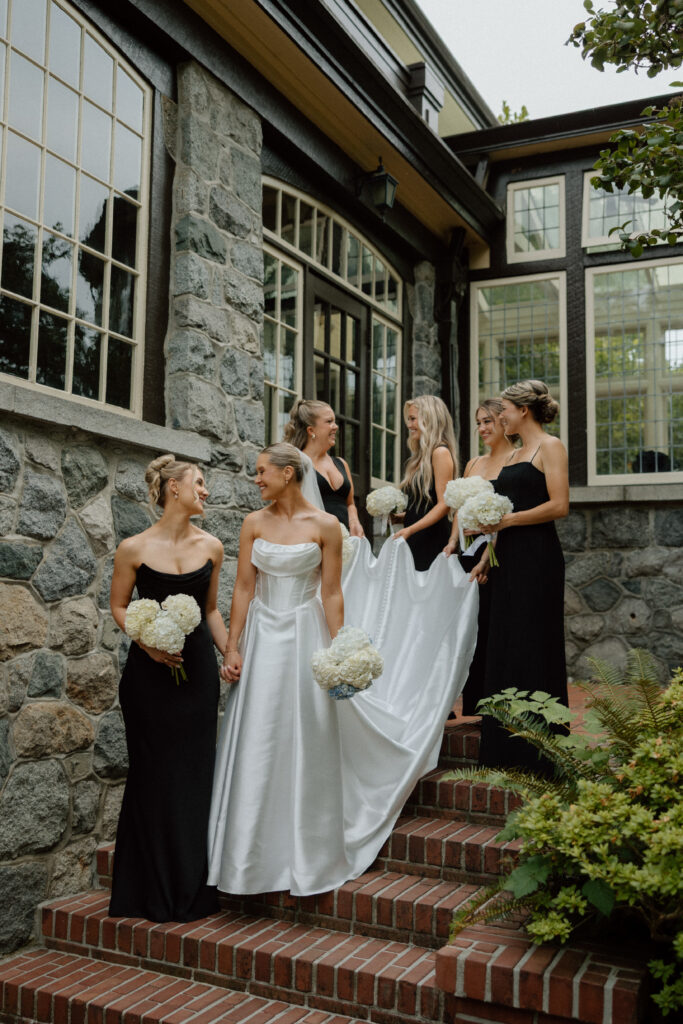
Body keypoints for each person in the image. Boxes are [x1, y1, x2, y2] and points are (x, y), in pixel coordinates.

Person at [207, 443, 479, 896]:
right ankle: (247, 854)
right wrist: (232, 647)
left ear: (289, 474)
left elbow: (332, 593)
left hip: (305, 638)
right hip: (262, 640)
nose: (255, 480)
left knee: (306, 733)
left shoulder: (327, 527)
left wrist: (340, 651)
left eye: (261, 472)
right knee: (258, 734)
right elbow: (242, 589)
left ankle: (306, 851)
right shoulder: (253, 524)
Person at [109, 455, 229, 922]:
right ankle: (144, 891)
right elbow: (120, 606)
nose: (205, 491)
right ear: (173, 488)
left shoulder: (213, 547)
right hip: (148, 680)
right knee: (152, 775)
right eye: (199, 483)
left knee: (193, 776)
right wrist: (149, 643)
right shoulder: (132, 548)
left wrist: (229, 653)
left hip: (195, 676)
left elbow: (213, 610)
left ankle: (190, 888)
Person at [473, 381, 569, 770]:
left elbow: (560, 505)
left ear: (523, 411)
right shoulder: (513, 457)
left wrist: (508, 519)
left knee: (532, 641)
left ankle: (538, 745)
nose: (502, 417)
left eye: (506, 411)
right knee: (504, 642)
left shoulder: (550, 446)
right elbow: (502, 520)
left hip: (538, 557)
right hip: (504, 557)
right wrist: (486, 556)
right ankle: (503, 742)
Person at [443, 398, 513, 717]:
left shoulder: (516, 461)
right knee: (471, 624)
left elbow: (511, 512)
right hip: (468, 552)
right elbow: (458, 510)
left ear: (504, 422)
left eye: (488, 421)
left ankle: (497, 702)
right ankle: (476, 700)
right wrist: (452, 542)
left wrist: (490, 550)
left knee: (494, 624)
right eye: (479, 423)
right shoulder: (473, 464)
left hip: (498, 551)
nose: (482, 428)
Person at [391, 395, 457, 570]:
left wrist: (411, 529)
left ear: (429, 420)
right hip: (416, 534)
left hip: (431, 537)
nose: (409, 424)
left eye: (413, 419)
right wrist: (402, 517)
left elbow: (444, 505)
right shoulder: (419, 458)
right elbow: (427, 504)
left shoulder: (440, 452)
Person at [284, 398, 364, 536]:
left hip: (347, 542)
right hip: (313, 539)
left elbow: (350, 503)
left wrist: (354, 521)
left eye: (334, 421)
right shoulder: (295, 464)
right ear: (311, 430)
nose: (336, 426)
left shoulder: (341, 464)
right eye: (329, 422)